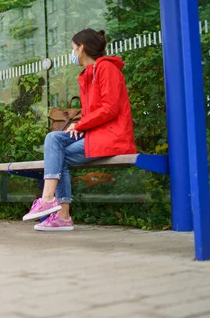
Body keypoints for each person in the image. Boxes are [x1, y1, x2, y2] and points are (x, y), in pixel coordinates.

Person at [23, 29, 136, 231]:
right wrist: (83, 127)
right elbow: (94, 112)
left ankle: (50, 202)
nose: (73, 53)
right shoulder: (86, 76)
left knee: (58, 151)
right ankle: (61, 215)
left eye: (74, 48)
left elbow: (110, 108)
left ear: (82, 48)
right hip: (97, 134)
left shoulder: (107, 69)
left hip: (113, 136)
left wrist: (81, 124)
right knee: (54, 140)